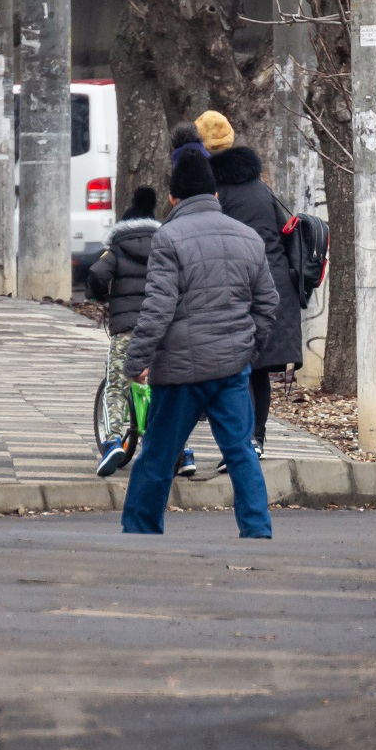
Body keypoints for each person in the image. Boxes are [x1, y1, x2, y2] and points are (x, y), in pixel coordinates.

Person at [119, 146, 281, 538]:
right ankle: (257, 530)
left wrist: (135, 360)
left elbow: (158, 308)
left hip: (180, 373)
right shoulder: (247, 238)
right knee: (241, 452)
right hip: (231, 369)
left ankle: (141, 531)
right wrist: (248, 349)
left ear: (173, 198)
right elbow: (268, 303)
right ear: (216, 195)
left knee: (157, 455)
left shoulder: (169, 238)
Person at [194, 109, 306, 470]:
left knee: (231, 368)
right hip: (275, 288)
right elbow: (284, 233)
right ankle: (255, 440)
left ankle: (240, 442)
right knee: (256, 369)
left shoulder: (212, 193)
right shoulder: (261, 189)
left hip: (237, 286)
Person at [86, 186, 161, 477]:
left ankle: (114, 440)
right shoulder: (165, 245)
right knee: (164, 388)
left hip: (126, 331)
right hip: (158, 330)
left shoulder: (116, 249)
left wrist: (97, 295)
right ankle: (181, 450)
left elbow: (95, 274)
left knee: (116, 384)